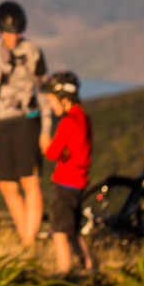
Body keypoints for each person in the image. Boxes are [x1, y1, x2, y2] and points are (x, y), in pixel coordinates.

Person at [0, 0, 47, 247]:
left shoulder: (33, 51)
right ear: (0, 30)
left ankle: (29, 242)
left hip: (28, 120)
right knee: (6, 183)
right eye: (8, 33)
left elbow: (44, 92)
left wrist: (46, 130)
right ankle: (25, 237)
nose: (13, 38)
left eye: (17, 33)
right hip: (3, 122)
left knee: (29, 180)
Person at [40, 72, 95, 274]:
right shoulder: (84, 118)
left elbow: (53, 153)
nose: (50, 106)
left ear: (64, 100)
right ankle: (88, 265)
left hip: (64, 183)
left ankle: (64, 273)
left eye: (51, 101)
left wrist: (46, 145)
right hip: (80, 182)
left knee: (60, 232)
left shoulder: (67, 122)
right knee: (72, 229)